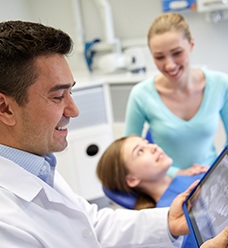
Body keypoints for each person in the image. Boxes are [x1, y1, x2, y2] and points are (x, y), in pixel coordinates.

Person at [0, 20, 225, 248]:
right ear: (5, 108)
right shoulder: (6, 223)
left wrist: (168, 221)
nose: (74, 110)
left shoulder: (40, 167)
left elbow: (92, 225)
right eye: (58, 97)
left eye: (71, 92)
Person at [124, 12, 228, 178]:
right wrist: (178, 173)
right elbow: (127, 155)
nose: (170, 65)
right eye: (159, 57)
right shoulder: (141, 95)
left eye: (177, 53)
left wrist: (215, 170)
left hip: (210, 176)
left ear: (191, 44)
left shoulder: (221, 84)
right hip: (165, 180)